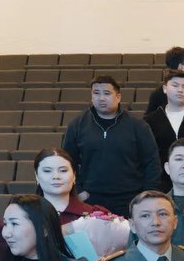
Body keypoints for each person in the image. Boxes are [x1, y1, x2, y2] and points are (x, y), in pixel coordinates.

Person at [62, 76, 161, 216]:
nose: (101, 98)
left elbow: (152, 162)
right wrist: (78, 190)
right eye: (96, 93)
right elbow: (67, 161)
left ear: (118, 97)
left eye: (107, 93)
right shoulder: (77, 124)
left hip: (129, 199)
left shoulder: (138, 126)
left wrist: (147, 194)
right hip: (90, 198)